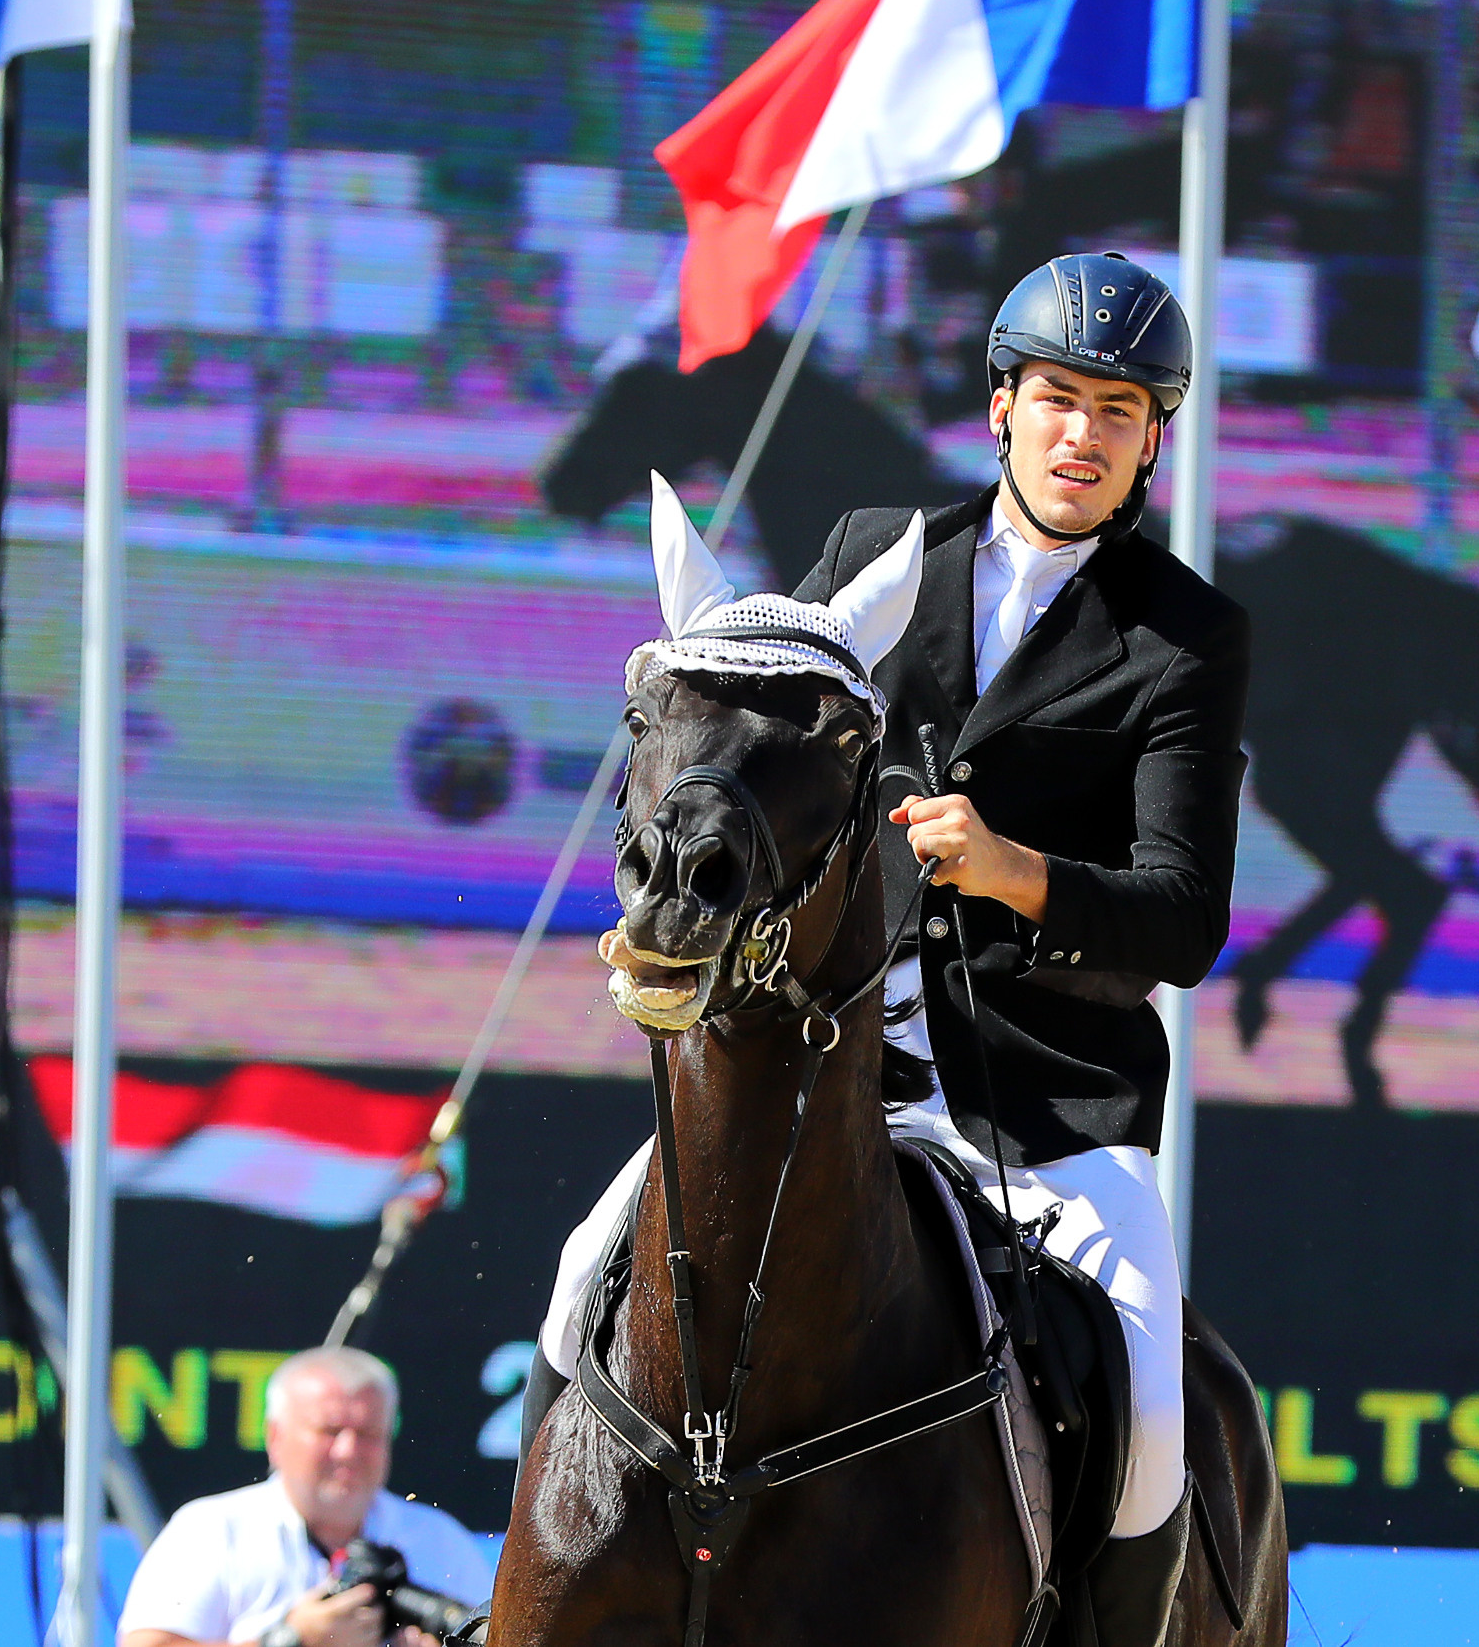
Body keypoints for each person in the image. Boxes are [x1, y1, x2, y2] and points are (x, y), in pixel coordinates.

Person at [526, 251, 1247, 1647]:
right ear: (1003, 405)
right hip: (820, 1063)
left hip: (1045, 1108)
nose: (1083, 433)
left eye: (1119, 409)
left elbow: (1181, 913)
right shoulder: (877, 555)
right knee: (578, 1282)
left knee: (1153, 1413)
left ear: (1154, 436)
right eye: (1058, 398)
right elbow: (769, 727)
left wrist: (1013, 870)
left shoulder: (1184, 638)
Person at [118, 1347, 492, 1647]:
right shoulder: (212, 1529)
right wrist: (292, 1639)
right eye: (329, 1431)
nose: (348, 1451)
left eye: (367, 1434)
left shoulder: (439, 1539)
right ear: (275, 1437)